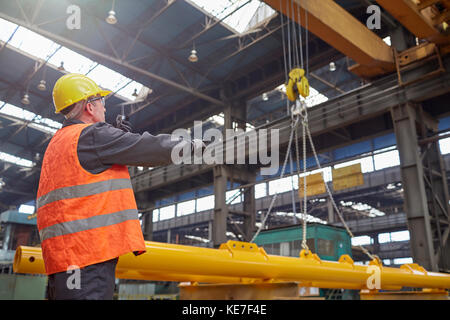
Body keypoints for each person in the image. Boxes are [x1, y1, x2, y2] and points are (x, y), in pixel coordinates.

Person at [36, 73, 199, 300]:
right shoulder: (91, 136)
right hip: (87, 256)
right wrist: (196, 145)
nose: (105, 108)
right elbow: (150, 147)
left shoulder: (58, 143)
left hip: (63, 259)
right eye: (103, 102)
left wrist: (114, 139)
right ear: (90, 107)